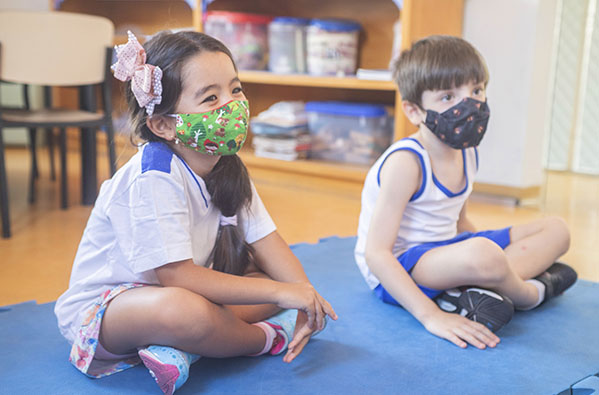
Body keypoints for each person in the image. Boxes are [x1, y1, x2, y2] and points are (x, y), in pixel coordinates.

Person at [54, 30, 337, 395]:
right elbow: (177, 278)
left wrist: (302, 294)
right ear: (164, 124)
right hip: (108, 313)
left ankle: (186, 350)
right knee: (186, 309)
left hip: (183, 293)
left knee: (267, 279)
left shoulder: (227, 165)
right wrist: (284, 296)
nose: (231, 105)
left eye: (235, 90)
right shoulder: (153, 176)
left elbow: (266, 239)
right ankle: (265, 338)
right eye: (210, 97)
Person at [354, 35, 576, 350]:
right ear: (415, 111)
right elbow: (377, 254)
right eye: (448, 96)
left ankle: (481, 287)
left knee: (556, 229)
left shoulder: (467, 151)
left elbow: (459, 223)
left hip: (447, 249)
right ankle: (528, 294)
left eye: (476, 90)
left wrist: (486, 257)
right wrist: (430, 316)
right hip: (402, 265)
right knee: (485, 255)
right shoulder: (406, 162)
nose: (468, 105)